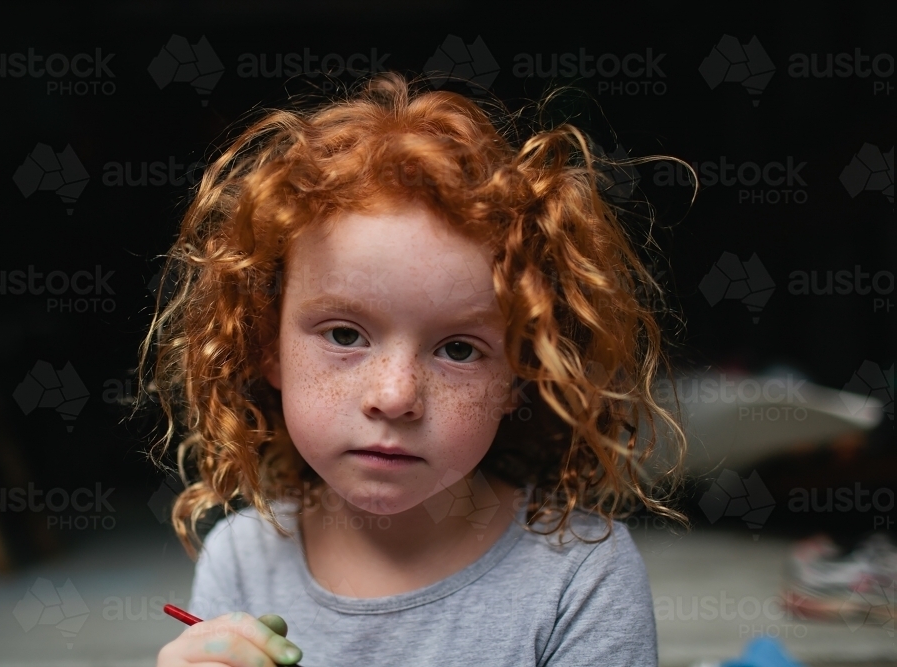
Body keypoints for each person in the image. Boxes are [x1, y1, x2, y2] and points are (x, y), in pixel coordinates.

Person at [141, 71, 686, 667]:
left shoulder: (581, 579)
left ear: (522, 375)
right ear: (266, 346)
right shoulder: (240, 562)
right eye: (345, 335)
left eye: (458, 349)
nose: (396, 395)